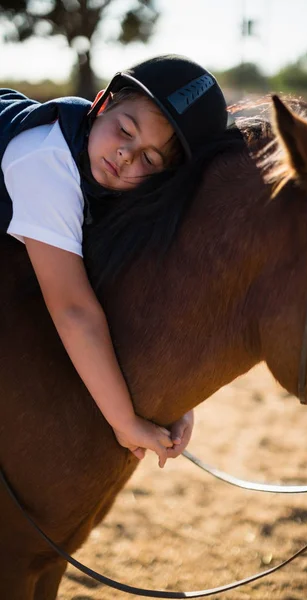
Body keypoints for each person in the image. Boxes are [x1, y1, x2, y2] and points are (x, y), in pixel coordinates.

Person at [0, 55, 228, 467]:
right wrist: (124, 421)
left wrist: (174, 400)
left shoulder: (120, 184)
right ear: (101, 103)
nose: (125, 155)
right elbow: (73, 309)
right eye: (124, 130)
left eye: (150, 160)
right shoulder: (44, 158)